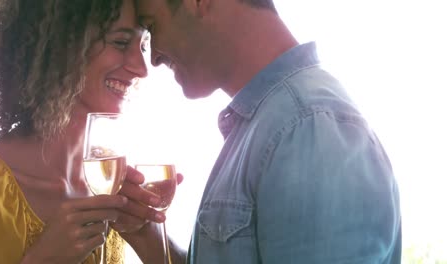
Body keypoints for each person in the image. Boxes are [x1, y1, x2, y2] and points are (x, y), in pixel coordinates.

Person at [121, 0, 403, 263]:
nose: (153, 57)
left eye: (152, 26)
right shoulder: (277, 124)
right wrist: (146, 232)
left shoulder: (307, 128)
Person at [0, 0, 165, 263]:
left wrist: (150, 236)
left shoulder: (113, 188)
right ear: (61, 48)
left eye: (143, 46)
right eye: (121, 43)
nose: (142, 69)